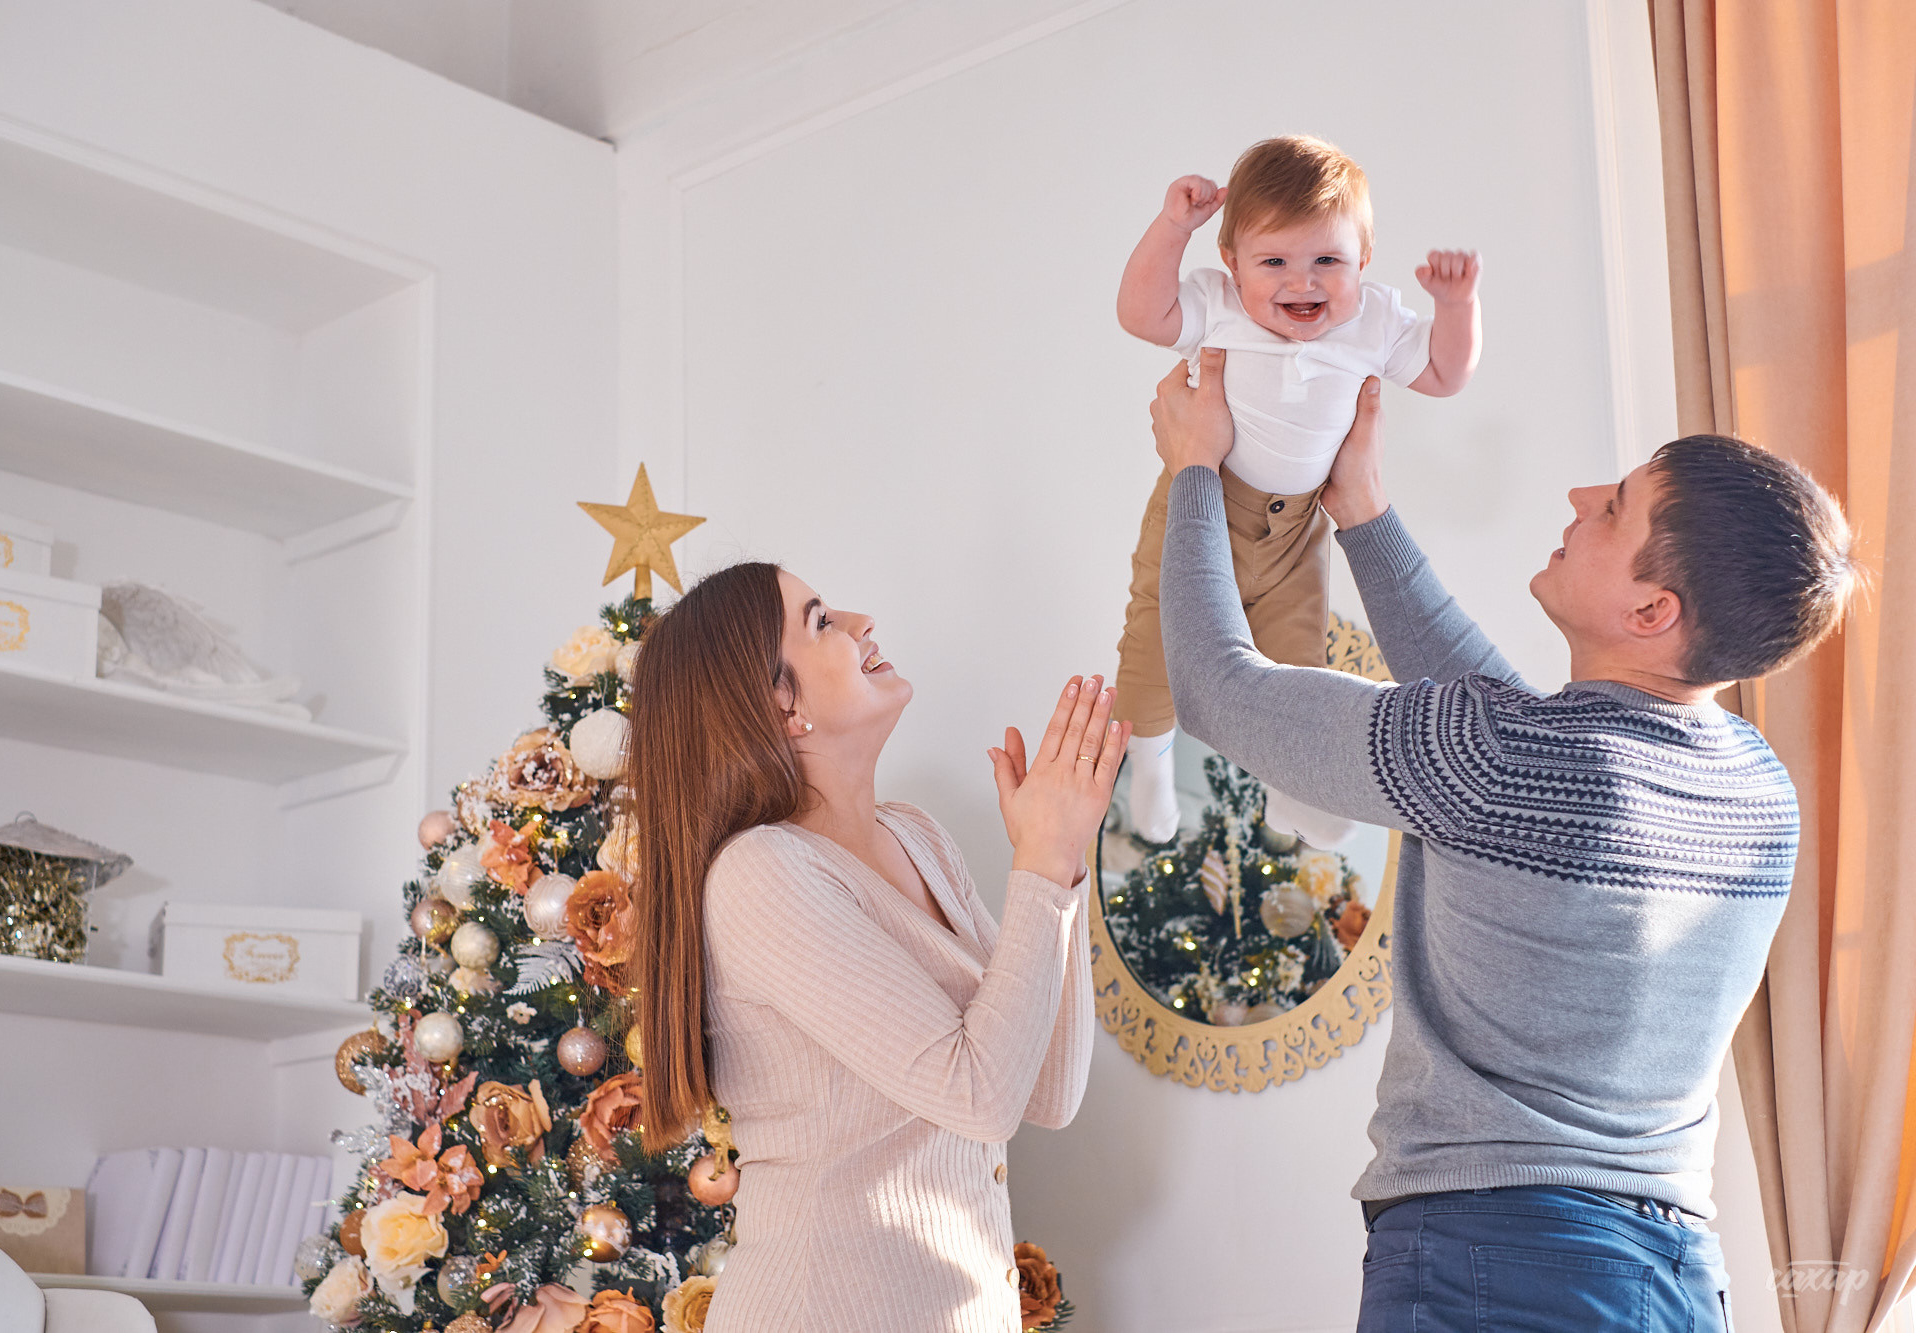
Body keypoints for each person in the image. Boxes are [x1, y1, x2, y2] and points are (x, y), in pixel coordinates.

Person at [1151, 349, 1858, 1331]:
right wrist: (1361, 516)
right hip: (1676, 1275)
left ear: (1651, 611)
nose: (1577, 497)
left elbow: (1214, 686)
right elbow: (1517, 740)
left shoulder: (1501, 759)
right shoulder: (1754, 791)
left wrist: (1190, 468)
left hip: (1495, 1263)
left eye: (1612, 506)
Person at [628, 561, 1129, 1333]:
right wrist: (1037, 859)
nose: (862, 621)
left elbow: (1045, 1091)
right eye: (821, 619)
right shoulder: (760, 873)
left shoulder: (916, 835)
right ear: (779, 702)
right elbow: (980, 1094)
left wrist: (1061, 863)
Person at [1111, 134, 1481, 848]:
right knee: (1156, 637)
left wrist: (1457, 305)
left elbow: (1443, 373)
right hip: (1202, 507)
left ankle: (1292, 790)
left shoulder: (1373, 321)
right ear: (1231, 264)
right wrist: (1172, 228)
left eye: (1327, 262)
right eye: (1273, 262)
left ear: (1363, 263)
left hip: (1299, 527)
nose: (1301, 283)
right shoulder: (1217, 306)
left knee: (1296, 657)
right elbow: (1139, 313)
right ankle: (1150, 763)